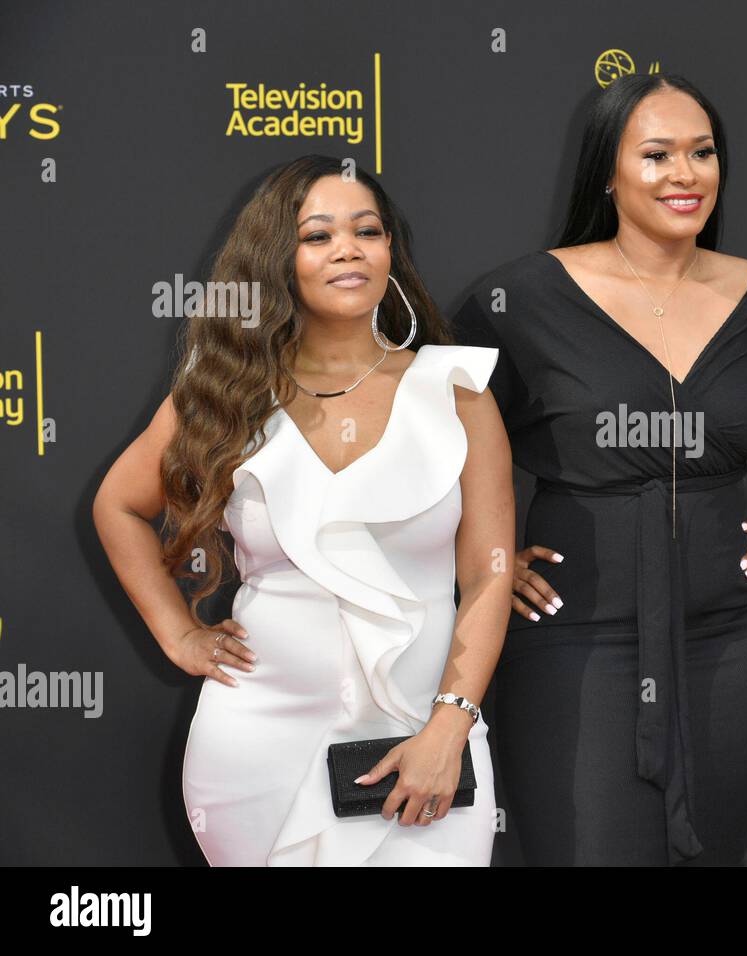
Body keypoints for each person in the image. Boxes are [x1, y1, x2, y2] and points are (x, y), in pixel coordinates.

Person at [92, 155, 514, 866]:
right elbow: (118, 505)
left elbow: (488, 575)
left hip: (424, 740)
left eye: (367, 231)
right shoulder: (224, 393)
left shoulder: (457, 391)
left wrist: (450, 728)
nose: (347, 249)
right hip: (257, 747)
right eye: (318, 236)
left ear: (390, 251)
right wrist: (178, 634)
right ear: (277, 261)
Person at [454, 74, 747, 865]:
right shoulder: (519, 300)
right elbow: (430, 443)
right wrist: (482, 563)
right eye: (656, 155)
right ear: (608, 173)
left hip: (733, 646)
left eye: (702, 153)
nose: (684, 174)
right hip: (573, 644)